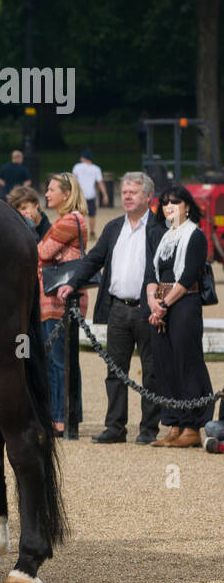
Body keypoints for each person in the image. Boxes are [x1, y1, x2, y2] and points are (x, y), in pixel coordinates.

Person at [58, 172, 164, 443]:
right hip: (117, 308)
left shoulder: (159, 229)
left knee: (151, 371)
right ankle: (115, 427)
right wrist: (72, 283)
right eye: (124, 191)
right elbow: (94, 259)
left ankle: (149, 429)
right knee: (115, 372)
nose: (127, 196)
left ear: (148, 197)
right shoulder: (114, 227)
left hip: (147, 310)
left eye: (134, 192)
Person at [146, 185, 214, 448]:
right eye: (165, 203)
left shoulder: (194, 236)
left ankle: (192, 426)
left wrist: (163, 304)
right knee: (164, 363)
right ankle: (174, 423)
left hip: (184, 303)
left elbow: (186, 278)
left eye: (175, 202)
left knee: (187, 362)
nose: (169, 207)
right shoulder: (164, 237)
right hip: (161, 304)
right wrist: (153, 302)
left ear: (187, 206)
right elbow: (152, 274)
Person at [37, 172, 88, 434]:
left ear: (66, 194)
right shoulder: (68, 221)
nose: (47, 194)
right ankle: (70, 414)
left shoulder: (69, 221)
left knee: (58, 363)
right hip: (59, 300)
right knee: (64, 362)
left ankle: (60, 417)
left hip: (59, 300)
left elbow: (41, 252)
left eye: (51, 189)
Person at [72, 148, 108, 218]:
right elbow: (100, 183)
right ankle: (92, 229)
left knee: (78, 215)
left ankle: (80, 228)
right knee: (92, 215)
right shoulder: (96, 168)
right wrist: (105, 195)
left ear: (84, 158)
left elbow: (73, 180)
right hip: (91, 195)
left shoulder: (77, 167)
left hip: (79, 195)